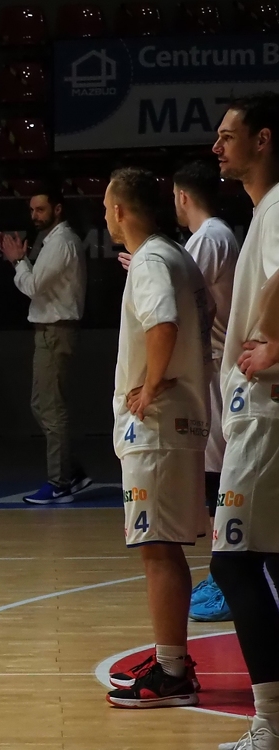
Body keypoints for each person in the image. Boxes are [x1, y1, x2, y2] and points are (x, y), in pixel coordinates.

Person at [184, 92, 279, 750]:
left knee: (235, 563)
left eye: (227, 135)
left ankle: (269, 727)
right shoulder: (256, 213)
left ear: (263, 139)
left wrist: (271, 343)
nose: (217, 147)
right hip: (254, 413)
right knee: (244, 565)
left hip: (266, 415)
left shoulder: (276, 206)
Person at [99, 168, 211, 712]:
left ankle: (172, 672)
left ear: (121, 210)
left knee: (158, 551)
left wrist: (147, 387)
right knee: (163, 548)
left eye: (106, 206)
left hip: (159, 428)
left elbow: (162, 323)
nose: (104, 216)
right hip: (179, 422)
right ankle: (172, 661)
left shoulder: (149, 261)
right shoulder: (177, 254)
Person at [0, 188, 92, 504]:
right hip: (49, 331)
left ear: (58, 209)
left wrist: (18, 261)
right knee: (42, 405)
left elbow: (34, 286)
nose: (34, 215)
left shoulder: (62, 242)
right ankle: (71, 472)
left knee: (51, 409)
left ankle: (60, 482)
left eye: (40, 209)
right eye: (32, 210)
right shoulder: (54, 241)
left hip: (55, 331)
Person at [176, 161, 240, 623]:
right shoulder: (217, 236)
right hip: (216, 366)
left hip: (219, 368)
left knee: (220, 478)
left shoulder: (210, 237)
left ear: (182, 196)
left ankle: (226, 578)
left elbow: (177, 296)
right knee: (217, 474)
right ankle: (224, 573)